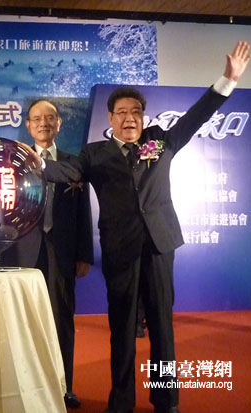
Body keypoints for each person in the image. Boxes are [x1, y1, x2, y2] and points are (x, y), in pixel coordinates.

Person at [43, 41, 250, 413]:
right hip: (120, 249)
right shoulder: (94, 153)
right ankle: (121, 401)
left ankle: (166, 400)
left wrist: (228, 80)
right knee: (122, 329)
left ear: (144, 116)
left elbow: (197, 116)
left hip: (159, 245)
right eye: (122, 112)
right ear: (110, 119)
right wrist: (37, 164)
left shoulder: (160, 140)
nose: (130, 118)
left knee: (161, 326)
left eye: (136, 112)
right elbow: (66, 170)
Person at [1, 99, 94, 409]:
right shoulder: (14, 163)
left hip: (62, 251)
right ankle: (23, 385)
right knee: (22, 319)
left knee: (61, 319)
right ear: (28, 125)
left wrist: (84, 253)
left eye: (50, 117)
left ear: (59, 123)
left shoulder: (74, 163)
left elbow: (83, 211)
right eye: (37, 118)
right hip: (22, 251)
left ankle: (63, 386)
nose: (44, 122)